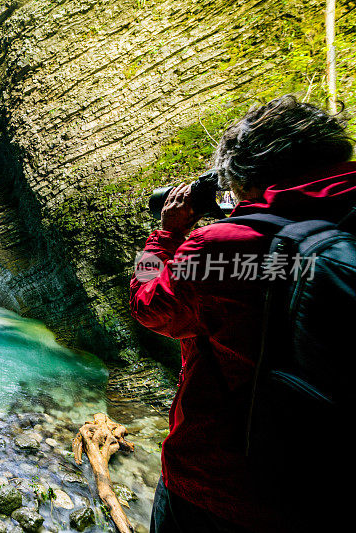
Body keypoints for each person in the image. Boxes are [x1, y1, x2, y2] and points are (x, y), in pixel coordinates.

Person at [130, 95, 355, 533]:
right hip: (329, 490)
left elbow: (147, 305)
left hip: (221, 487)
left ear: (246, 174)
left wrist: (165, 236)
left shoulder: (222, 245)